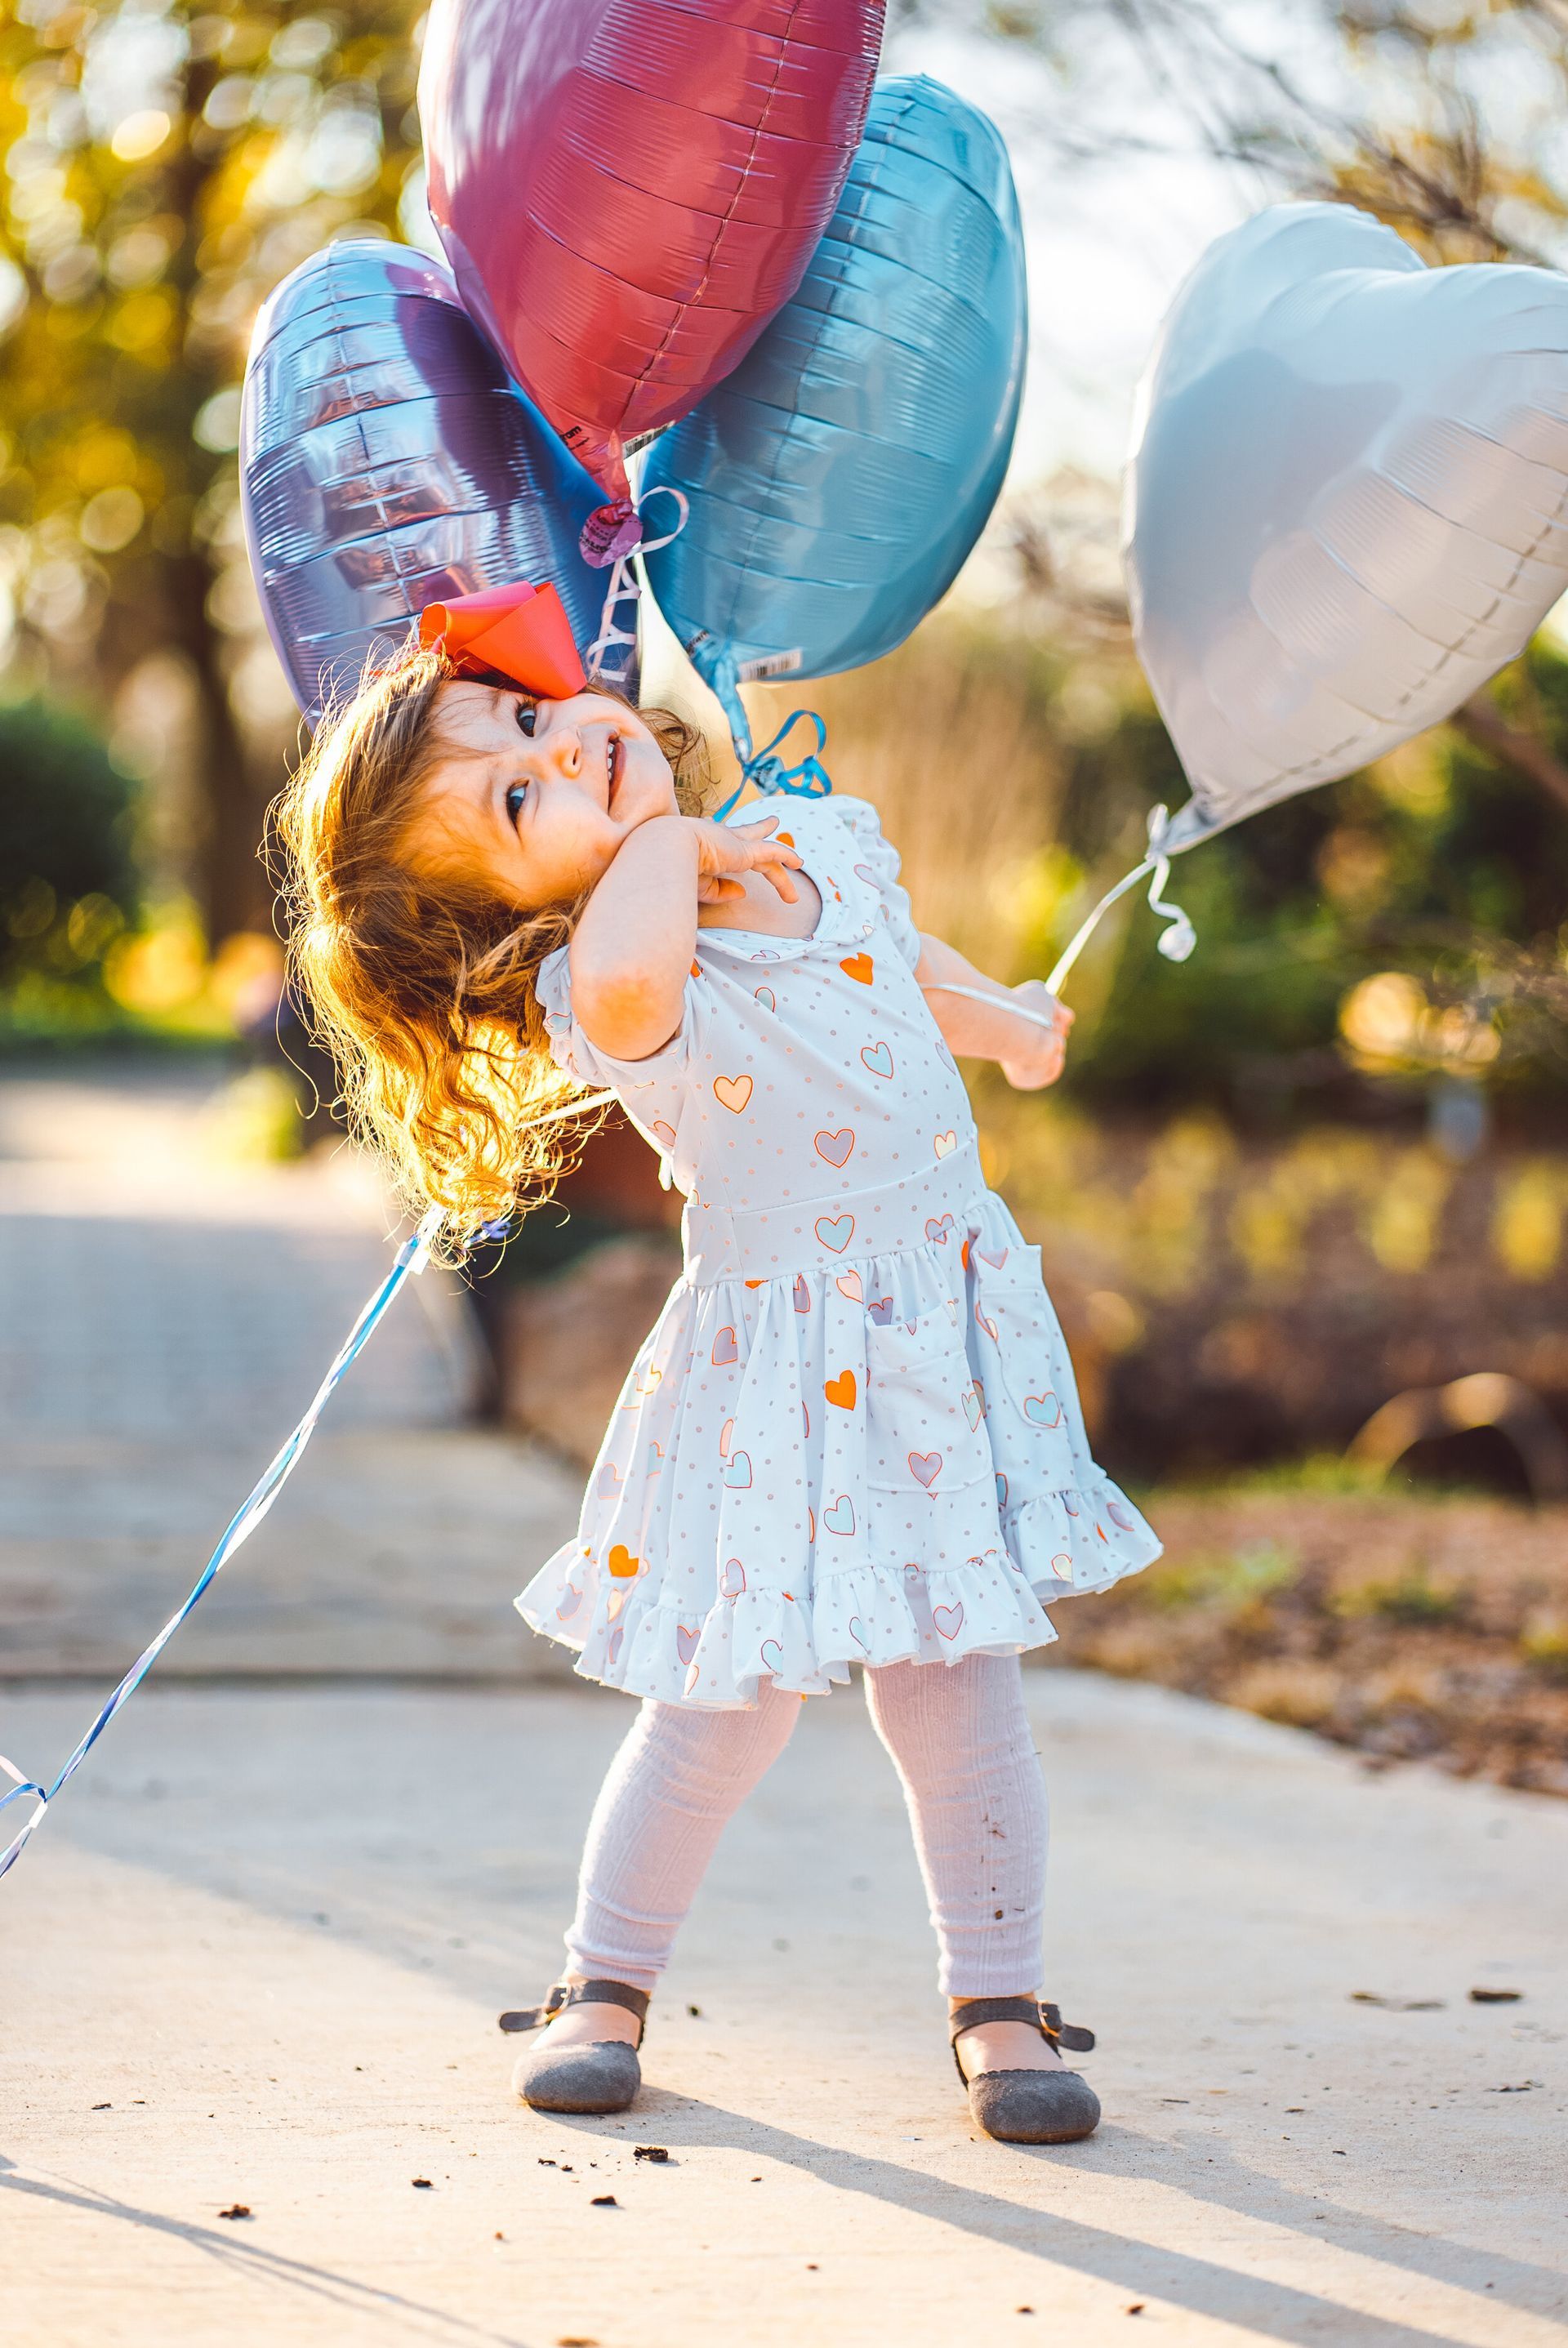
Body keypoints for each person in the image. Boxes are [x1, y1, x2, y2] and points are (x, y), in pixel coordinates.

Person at [274, 598, 1160, 2146]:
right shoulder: (606, 963)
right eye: (521, 799)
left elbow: (894, 963)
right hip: (773, 1369)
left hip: (927, 1347)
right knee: (723, 1699)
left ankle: (1003, 2002)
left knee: (957, 1685)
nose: (566, 749)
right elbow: (632, 993)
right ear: (506, 916)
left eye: (533, 722)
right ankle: (601, 1985)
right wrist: (673, 846)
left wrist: (1003, 1023)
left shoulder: (805, 840)